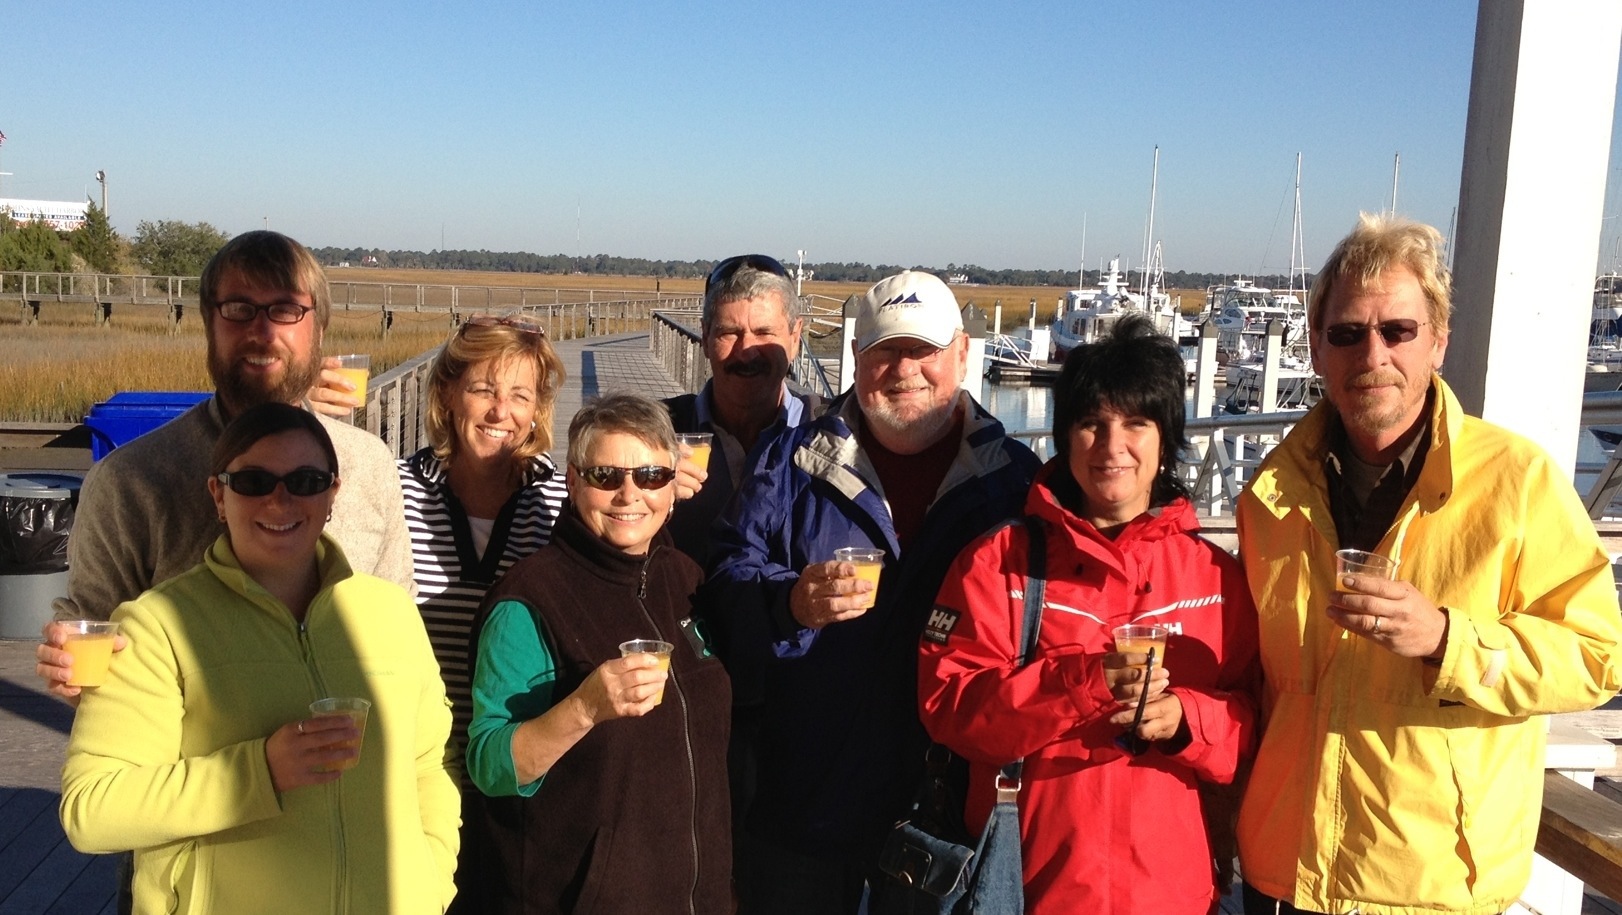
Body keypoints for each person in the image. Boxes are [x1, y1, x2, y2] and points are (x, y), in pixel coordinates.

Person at [1234, 213, 1622, 915]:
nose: (1372, 354)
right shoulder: (1270, 493)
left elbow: (1598, 657)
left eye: (1398, 330)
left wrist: (1448, 639)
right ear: (1317, 348)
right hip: (1283, 875)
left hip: (1429, 886)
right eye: (1347, 333)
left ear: (1438, 341)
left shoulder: (1518, 481)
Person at [706, 270, 1041, 912]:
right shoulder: (792, 459)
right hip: (807, 804)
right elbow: (725, 576)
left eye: (924, 350)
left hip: (947, 818)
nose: (904, 369)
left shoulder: (1013, 482)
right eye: (886, 350)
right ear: (857, 357)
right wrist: (790, 603)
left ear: (962, 354)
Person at [59, 403, 459, 914]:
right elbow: (91, 810)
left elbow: (430, 764)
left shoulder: (392, 612)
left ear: (332, 494)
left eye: (306, 481)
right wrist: (259, 772)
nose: (280, 499)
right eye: (253, 482)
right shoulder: (158, 625)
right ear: (219, 495)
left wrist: (430, 885)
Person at [917, 315, 1259, 914]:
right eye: (1091, 424)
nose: (1112, 446)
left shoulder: (1216, 579)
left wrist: (1187, 721)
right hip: (1028, 891)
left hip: (1171, 895)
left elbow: (1258, 727)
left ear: (1166, 439)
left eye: (1136, 424)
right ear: (1064, 437)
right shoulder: (998, 564)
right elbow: (950, 709)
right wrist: (1080, 683)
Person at [37, 229, 413, 699]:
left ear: (320, 329)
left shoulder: (370, 465)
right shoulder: (129, 480)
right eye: (238, 309)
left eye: (285, 309)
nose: (263, 331)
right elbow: (92, 654)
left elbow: (400, 635)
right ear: (208, 324)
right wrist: (69, 671)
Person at [465, 393, 731, 914]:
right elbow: (490, 764)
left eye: (651, 475)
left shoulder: (687, 580)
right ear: (572, 481)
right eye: (605, 476)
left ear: (673, 485)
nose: (629, 494)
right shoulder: (530, 599)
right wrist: (585, 707)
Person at [398, 313, 568, 913]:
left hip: (520, 774)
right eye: (483, 390)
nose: (501, 412)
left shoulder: (563, 503)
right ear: (448, 395)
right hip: (414, 772)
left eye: (520, 395)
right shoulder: (395, 492)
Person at [663, 253, 818, 566]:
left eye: (764, 333)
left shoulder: (830, 434)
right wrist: (649, 487)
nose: (746, 352)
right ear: (705, 338)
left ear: (795, 338)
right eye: (729, 333)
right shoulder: (656, 431)